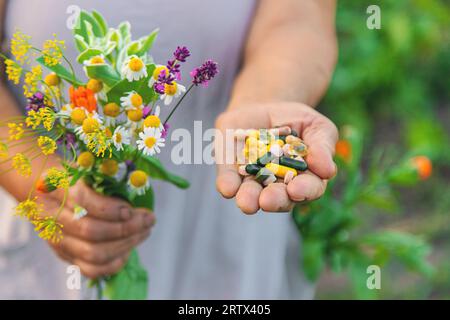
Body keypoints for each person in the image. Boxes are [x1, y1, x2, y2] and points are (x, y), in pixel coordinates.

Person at [0, 0, 337, 299]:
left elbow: (298, 18)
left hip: (221, 204)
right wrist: (36, 180)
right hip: (42, 203)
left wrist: (269, 98)